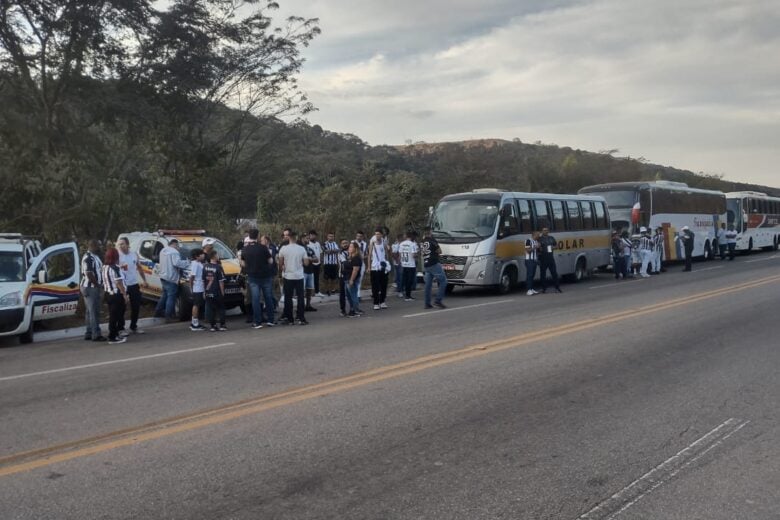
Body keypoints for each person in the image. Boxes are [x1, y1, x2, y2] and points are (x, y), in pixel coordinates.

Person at [241, 229, 275, 329]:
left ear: (249, 236)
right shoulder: (263, 248)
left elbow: (243, 263)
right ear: (258, 236)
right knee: (268, 298)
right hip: (265, 275)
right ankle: (270, 320)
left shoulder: (245, 249)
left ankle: (257, 322)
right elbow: (270, 261)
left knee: (255, 299)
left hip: (253, 276)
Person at [116, 237, 148, 336]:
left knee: (136, 306)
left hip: (133, 284)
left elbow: (139, 267)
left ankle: (133, 326)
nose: (120, 246)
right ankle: (121, 328)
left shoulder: (134, 254)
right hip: (123, 285)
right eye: (119, 244)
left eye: (122, 244)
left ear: (127, 244)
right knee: (121, 308)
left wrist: (144, 280)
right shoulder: (118, 256)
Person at [278, 231, 310, 325]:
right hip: (299, 275)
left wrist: (282, 270)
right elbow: (306, 263)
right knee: (300, 297)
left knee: (288, 297)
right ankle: (301, 318)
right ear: (296, 238)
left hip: (288, 275)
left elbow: (280, 263)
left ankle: (289, 318)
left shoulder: (283, 249)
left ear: (289, 238)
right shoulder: (301, 249)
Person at [154, 238, 190, 320]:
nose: (178, 248)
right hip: (171, 278)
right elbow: (177, 263)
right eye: (178, 246)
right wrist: (187, 262)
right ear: (175, 244)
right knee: (171, 297)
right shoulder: (174, 252)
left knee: (164, 295)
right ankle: (168, 315)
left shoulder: (163, 250)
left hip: (163, 276)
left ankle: (158, 311)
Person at [102, 247, 129, 345]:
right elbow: (119, 282)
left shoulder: (105, 267)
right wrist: (125, 295)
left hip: (108, 294)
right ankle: (112, 336)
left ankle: (114, 334)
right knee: (116, 316)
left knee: (113, 315)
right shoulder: (115, 268)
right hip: (116, 294)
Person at [81, 239, 106, 342]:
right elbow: (89, 273)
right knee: (94, 311)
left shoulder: (94, 256)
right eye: (98, 246)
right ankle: (96, 334)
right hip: (90, 287)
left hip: (90, 286)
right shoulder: (89, 258)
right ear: (93, 246)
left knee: (89, 311)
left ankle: (89, 332)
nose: (100, 248)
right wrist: (98, 285)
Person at [421, 227, 447, 309]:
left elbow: (422, 253)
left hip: (426, 264)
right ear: (430, 232)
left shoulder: (422, 242)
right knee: (443, 281)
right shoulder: (432, 240)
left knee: (428, 285)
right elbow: (439, 251)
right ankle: (438, 301)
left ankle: (427, 303)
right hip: (434, 263)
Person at [367, 227, 391, 310]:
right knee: (375, 286)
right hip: (375, 267)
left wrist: (387, 264)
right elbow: (369, 255)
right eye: (376, 234)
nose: (377, 236)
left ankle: (382, 301)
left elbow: (386, 253)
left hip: (383, 266)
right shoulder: (372, 241)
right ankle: (376, 303)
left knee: (384, 285)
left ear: (381, 235)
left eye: (379, 234)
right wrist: (369, 266)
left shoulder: (384, 241)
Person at [203, 250, 227, 331]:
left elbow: (203, 280)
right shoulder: (218, 267)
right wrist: (222, 291)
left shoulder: (205, 267)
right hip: (217, 291)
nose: (218, 256)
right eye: (217, 255)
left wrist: (204, 291)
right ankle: (222, 325)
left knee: (211, 308)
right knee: (220, 308)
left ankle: (213, 326)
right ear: (214, 256)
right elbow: (221, 281)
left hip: (208, 291)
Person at [537, 227, 561, 293]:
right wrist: (539, 248)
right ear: (542, 231)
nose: (546, 231)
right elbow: (537, 248)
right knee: (543, 274)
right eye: (544, 230)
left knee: (554, 273)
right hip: (543, 258)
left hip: (550, 258)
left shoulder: (551, 238)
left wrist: (553, 247)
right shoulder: (539, 239)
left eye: (547, 230)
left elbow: (557, 246)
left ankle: (557, 287)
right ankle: (544, 288)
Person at [344, 241, 364, 317]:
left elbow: (355, 270)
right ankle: (352, 309)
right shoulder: (350, 257)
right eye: (349, 247)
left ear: (355, 249)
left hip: (351, 279)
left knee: (353, 295)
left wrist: (352, 280)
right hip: (346, 278)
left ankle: (355, 310)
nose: (349, 248)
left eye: (351, 247)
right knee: (349, 295)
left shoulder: (356, 258)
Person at [189, 248, 206, 331]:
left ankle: (194, 322)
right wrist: (191, 288)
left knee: (198, 305)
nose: (203, 255)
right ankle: (194, 324)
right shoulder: (195, 264)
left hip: (201, 287)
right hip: (197, 287)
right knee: (196, 305)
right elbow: (192, 277)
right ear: (196, 256)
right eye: (201, 254)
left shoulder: (199, 263)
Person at [398, 231, 418, 301]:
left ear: (406, 236)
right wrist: (417, 254)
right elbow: (413, 255)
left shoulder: (401, 244)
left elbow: (400, 254)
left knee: (405, 280)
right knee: (410, 281)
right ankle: (408, 296)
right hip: (411, 265)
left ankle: (405, 294)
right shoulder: (412, 244)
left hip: (404, 264)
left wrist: (399, 262)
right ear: (411, 236)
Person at [301, 235, 319, 312]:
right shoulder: (300, 248)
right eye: (307, 238)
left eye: (308, 238)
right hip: (302, 272)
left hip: (310, 271)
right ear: (302, 239)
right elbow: (301, 260)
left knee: (309, 289)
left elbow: (316, 259)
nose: (308, 239)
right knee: (302, 290)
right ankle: (301, 306)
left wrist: (309, 259)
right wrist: (310, 259)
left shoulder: (310, 249)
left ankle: (308, 305)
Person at [307, 230, 325, 298]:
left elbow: (320, 252)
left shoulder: (317, 243)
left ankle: (317, 292)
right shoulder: (308, 244)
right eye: (311, 235)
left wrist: (320, 261)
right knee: (311, 278)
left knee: (317, 278)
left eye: (314, 235)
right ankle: (310, 293)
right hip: (311, 264)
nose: (312, 236)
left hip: (318, 263)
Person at [322, 232, 340, 297]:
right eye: (330, 236)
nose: (331, 237)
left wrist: (331, 251)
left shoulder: (335, 243)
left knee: (334, 278)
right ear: (327, 237)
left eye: (332, 236)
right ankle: (327, 290)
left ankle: (333, 290)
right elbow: (326, 251)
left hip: (334, 263)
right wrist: (333, 250)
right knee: (326, 278)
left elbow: (338, 250)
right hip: (327, 263)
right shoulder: (324, 244)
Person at [337, 239, 351, 316]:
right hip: (343, 275)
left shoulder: (351, 251)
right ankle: (342, 310)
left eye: (346, 243)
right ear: (341, 245)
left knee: (351, 293)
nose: (345, 244)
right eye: (343, 243)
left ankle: (353, 308)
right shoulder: (340, 253)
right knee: (342, 293)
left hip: (351, 275)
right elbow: (345, 263)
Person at [524, 231, 540, 295]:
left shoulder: (536, 241)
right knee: (529, 275)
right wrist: (535, 247)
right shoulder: (528, 241)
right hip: (529, 260)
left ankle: (531, 288)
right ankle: (528, 290)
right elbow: (528, 251)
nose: (539, 236)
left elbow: (537, 251)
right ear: (534, 235)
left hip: (534, 260)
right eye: (538, 235)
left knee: (533, 275)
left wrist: (539, 247)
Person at [354, 230, 368, 301]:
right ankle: (354, 295)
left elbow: (367, 254)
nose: (359, 237)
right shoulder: (353, 243)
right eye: (358, 236)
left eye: (360, 236)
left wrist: (363, 257)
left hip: (361, 263)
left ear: (362, 237)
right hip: (354, 264)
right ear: (356, 236)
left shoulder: (364, 244)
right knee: (354, 279)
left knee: (359, 280)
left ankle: (358, 295)